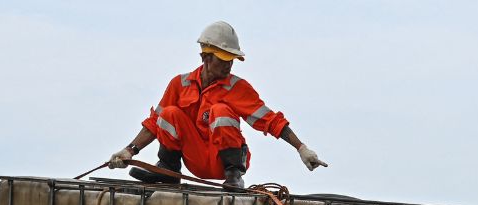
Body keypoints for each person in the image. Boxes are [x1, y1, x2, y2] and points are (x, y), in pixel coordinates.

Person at [107, 21, 328, 190]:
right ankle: (168, 171)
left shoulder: (237, 88)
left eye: (231, 59)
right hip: (195, 160)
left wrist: (301, 148)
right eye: (223, 59)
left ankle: (234, 176)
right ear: (205, 57)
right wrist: (129, 150)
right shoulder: (179, 84)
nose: (228, 65)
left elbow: (270, 121)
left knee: (220, 111)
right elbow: (155, 124)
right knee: (170, 113)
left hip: (222, 163)